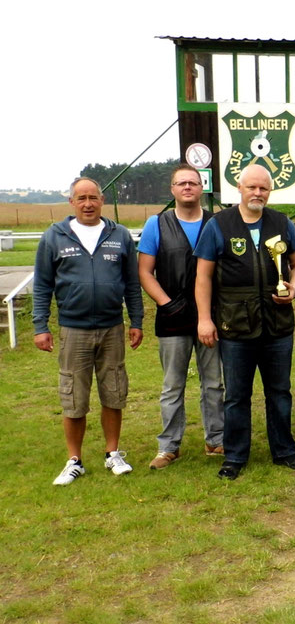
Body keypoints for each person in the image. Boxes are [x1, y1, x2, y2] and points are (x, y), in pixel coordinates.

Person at [194, 164, 295, 480]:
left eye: (263, 188)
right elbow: (203, 277)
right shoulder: (218, 225)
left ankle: (285, 450)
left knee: (280, 391)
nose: (257, 193)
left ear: (269, 192)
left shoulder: (282, 224)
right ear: (239, 189)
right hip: (235, 326)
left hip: (277, 325)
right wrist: (205, 319)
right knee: (236, 395)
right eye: (252, 187)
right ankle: (234, 456)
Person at [33, 177, 144, 486]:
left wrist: (136, 321)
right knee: (73, 396)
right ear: (72, 202)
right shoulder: (54, 237)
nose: (87, 203)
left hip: (112, 328)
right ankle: (75, 460)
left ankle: (113, 454)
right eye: (81, 198)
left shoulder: (119, 235)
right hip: (73, 330)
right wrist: (40, 326)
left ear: (102, 200)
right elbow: (42, 285)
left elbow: (132, 285)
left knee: (114, 391)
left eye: (93, 197)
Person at [138, 164, 224, 470]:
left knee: (213, 383)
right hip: (172, 318)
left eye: (193, 182)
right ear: (173, 189)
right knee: (172, 385)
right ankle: (168, 447)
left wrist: (211, 314)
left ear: (202, 188)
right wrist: (165, 303)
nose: (187, 187)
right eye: (181, 183)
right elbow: (145, 272)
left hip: (210, 317)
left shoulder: (217, 223)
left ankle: (216, 440)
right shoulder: (156, 224)